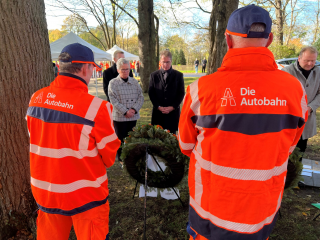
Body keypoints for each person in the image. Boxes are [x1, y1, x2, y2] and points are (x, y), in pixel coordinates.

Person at [178, 5, 308, 240]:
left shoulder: (200, 90)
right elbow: (289, 145)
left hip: (209, 215)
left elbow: (186, 146)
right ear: (269, 40)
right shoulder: (295, 91)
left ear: (227, 40)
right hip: (262, 214)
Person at [26, 43, 121, 240]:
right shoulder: (97, 108)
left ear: (60, 66)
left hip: (46, 193)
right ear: (86, 67)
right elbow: (110, 156)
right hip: (86, 197)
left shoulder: (36, 99)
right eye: (92, 68)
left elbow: (37, 139)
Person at [282, 46, 320, 156]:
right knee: (286, 153)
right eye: (307, 60)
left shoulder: (318, 72)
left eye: (313, 61)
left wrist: (311, 107)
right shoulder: (286, 71)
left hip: (307, 120)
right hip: (289, 120)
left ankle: (297, 172)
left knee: (301, 152)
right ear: (299, 58)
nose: (310, 63)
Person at [108, 58, 144, 164]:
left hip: (132, 116)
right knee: (120, 139)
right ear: (118, 70)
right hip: (120, 117)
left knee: (131, 138)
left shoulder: (134, 82)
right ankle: (121, 159)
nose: (125, 72)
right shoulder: (113, 83)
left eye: (127, 69)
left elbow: (140, 97)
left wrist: (133, 109)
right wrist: (125, 111)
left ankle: (130, 157)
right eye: (123, 69)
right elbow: (113, 100)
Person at [149, 50, 185, 134]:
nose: (165, 64)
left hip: (172, 113)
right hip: (158, 113)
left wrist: (172, 107)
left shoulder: (178, 75)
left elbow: (181, 93)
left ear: (171, 61)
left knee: (171, 139)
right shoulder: (154, 75)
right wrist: (158, 106)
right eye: (163, 62)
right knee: (157, 140)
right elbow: (151, 92)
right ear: (160, 62)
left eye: (168, 62)